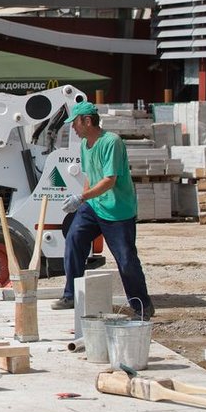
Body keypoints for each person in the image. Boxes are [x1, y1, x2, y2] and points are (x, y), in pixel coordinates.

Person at [53, 101, 155, 320]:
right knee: (74, 239)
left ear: (87, 121)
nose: (73, 128)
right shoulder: (85, 145)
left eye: (75, 124)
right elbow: (91, 174)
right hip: (94, 205)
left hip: (118, 210)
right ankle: (71, 294)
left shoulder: (112, 142)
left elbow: (109, 180)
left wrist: (82, 197)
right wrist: (83, 200)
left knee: (126, 259)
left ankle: (142, 306)